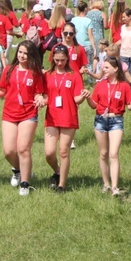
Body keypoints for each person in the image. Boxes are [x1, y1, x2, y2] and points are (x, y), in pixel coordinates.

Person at [0, 41, 47, 195]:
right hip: (9, 113)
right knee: (8, 151)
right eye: (20, 52)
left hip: (28, 114)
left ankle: (25, 183)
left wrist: (40, 98)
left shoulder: (35, 72)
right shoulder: (9, 69)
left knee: (23, 149)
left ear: (31, 55)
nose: (22, 55)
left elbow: (39, 93)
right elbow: (2, 90)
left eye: (25, 53)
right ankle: (18, 169)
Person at [86, 56, 131, 196]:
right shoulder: (100, 84)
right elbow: (94, 106)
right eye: (103, 67)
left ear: (116, 69)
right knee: (103, 153)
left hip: (116, 120)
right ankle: (106, 184)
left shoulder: (124, 86)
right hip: (100, 120)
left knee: (113, 154)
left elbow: (130, 106)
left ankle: (115, 187)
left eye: (107, 67)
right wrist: (87, 98)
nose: (104, 69)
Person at [43, 45, 89, 192]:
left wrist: (83, 96)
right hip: (51, 116)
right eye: (56, 60)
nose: (59, 63)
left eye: (62, 60)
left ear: (67, 59)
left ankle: (62, 184)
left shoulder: (74, 74)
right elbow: (44, 95)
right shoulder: (48, 75)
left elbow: (76, 99)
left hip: (68, 116)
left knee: (63, 151)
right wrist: (41, 100)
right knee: (49, 152)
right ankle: (57, 171)